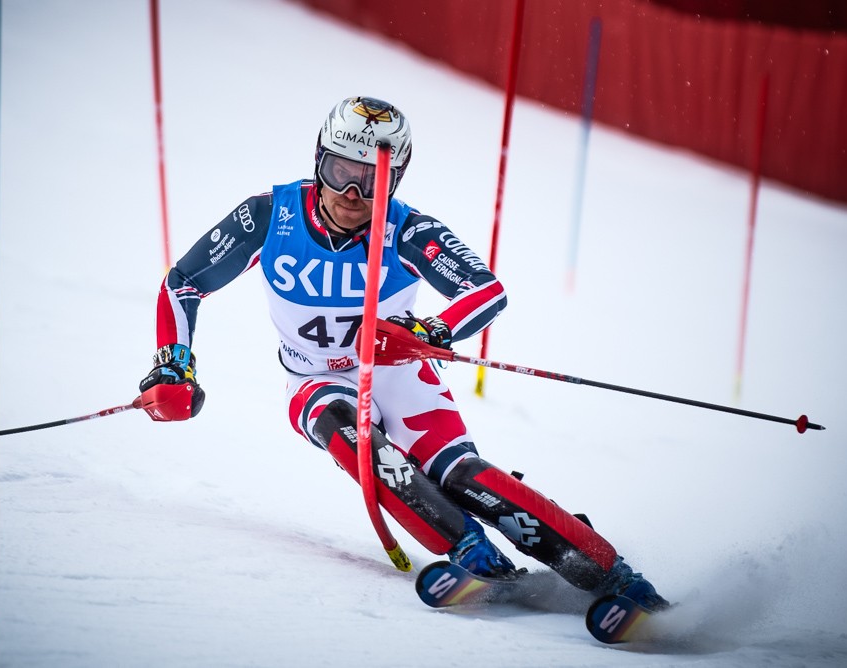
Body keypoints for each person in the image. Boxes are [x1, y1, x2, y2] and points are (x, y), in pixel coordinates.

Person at [138, 96, 668, 609]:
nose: (351, 193)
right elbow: (183, 282)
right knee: (348, 432)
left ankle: (613, 575)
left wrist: (429, 330)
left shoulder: (408, 229)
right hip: (314, 377)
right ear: (319, 160)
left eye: (371, 179)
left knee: (460, 475)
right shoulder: (268, 215)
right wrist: (173, 364)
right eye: (340, 171)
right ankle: (473, 554)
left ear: (395, 178)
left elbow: (486, 292)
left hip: (399, 374)